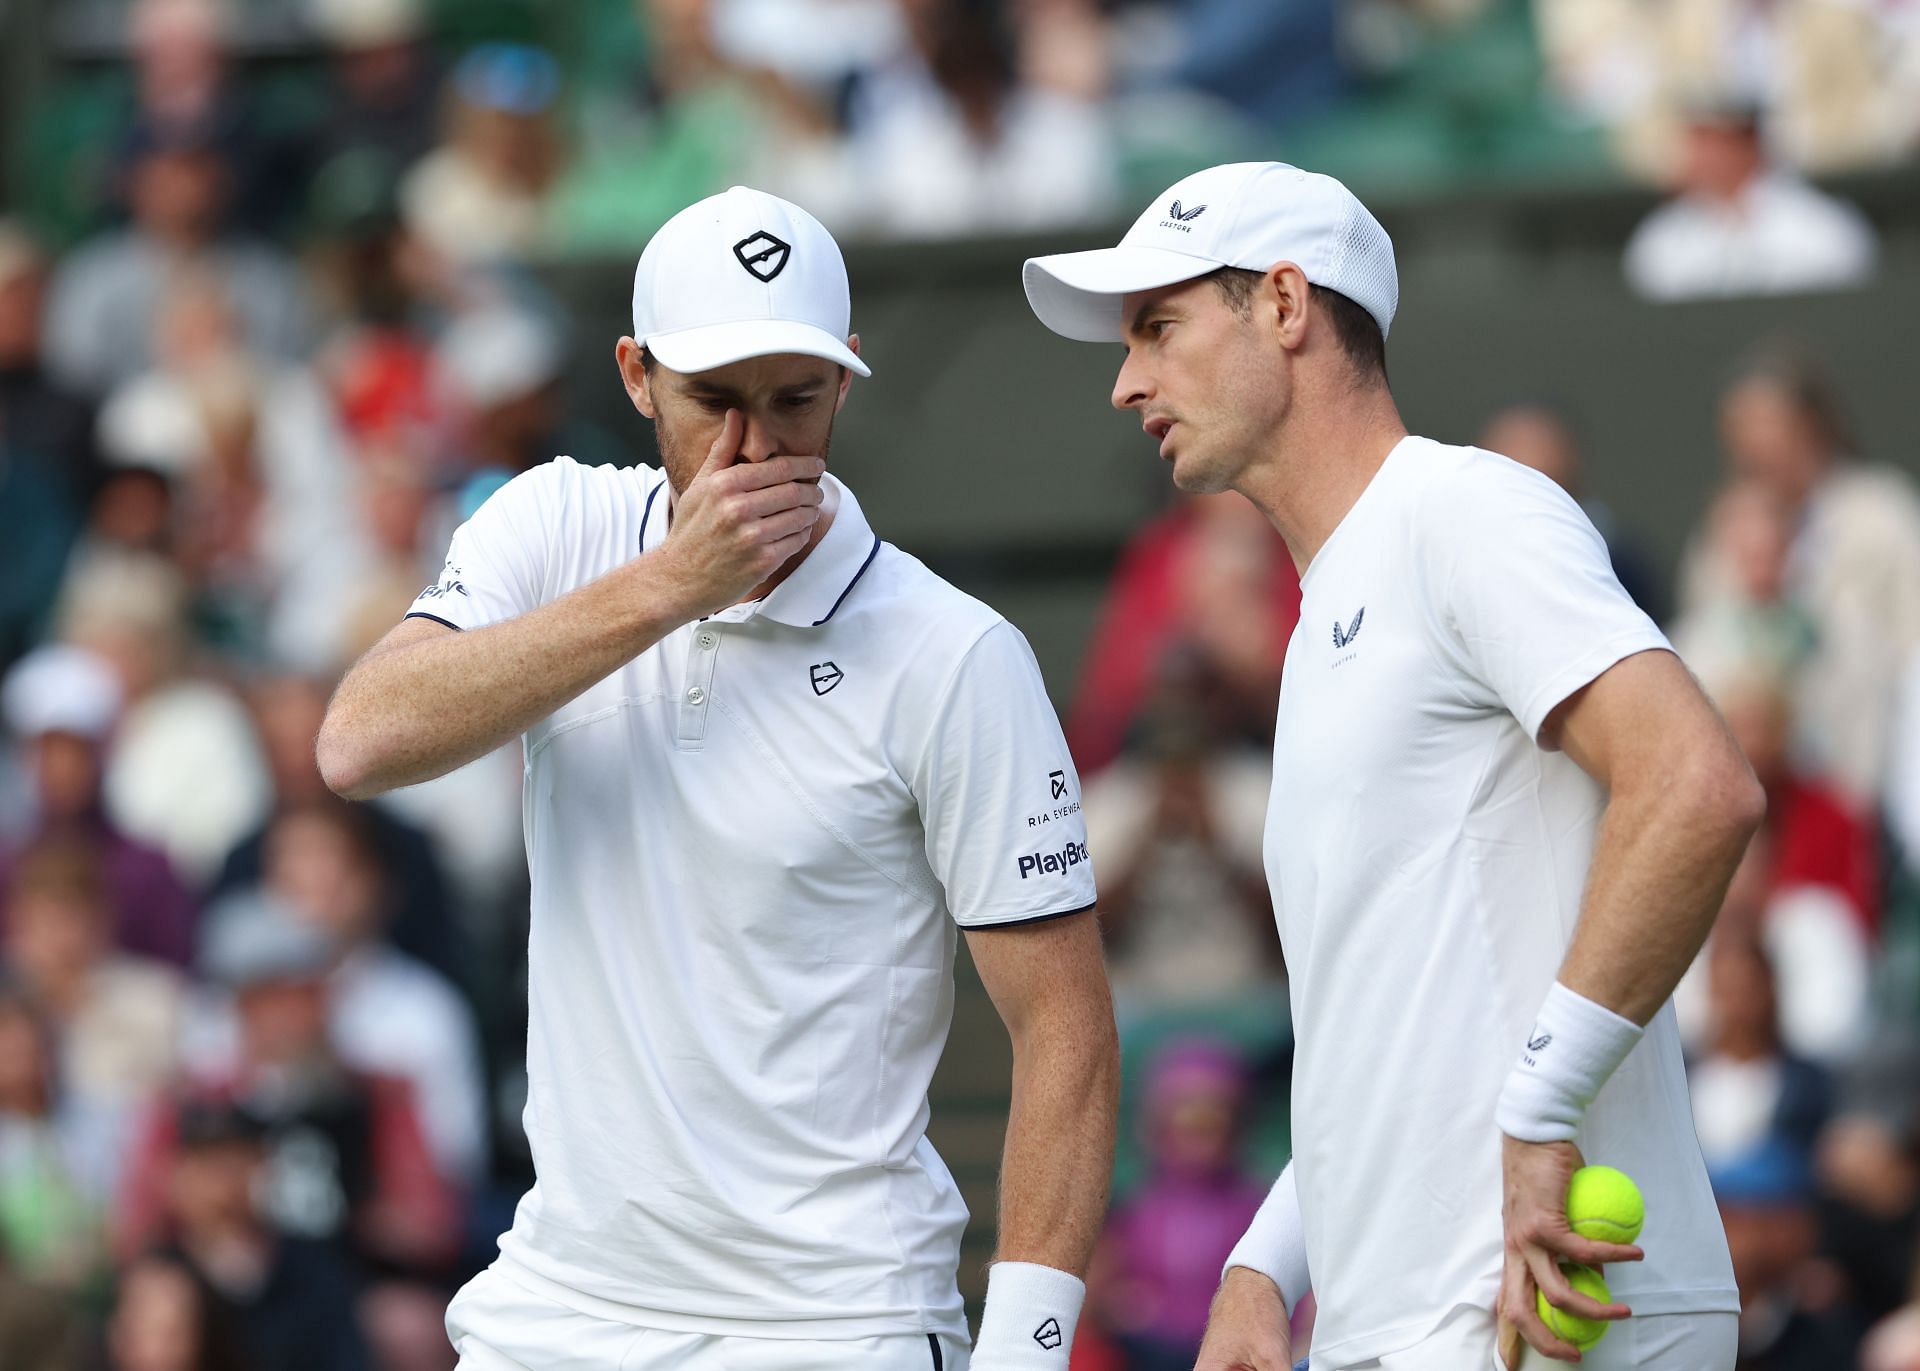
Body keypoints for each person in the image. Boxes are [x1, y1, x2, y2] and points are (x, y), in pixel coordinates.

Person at [317, 186, 1119, 1370]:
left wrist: (1028, 1352)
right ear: (637, 378)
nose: (752, 448)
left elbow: (1067, 1032)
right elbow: (359, 741)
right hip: (557, 1309)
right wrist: (667, 589)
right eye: (712, 403)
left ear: (848, 378)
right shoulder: (552, 524)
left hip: (841, 1324)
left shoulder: (959, 657)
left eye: (795, 400)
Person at [1023, 160, 1763, 1369]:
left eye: (1158, 327)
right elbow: (1387, 1021)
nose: (1125, 382)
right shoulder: (1325, 625)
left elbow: (1696, 784)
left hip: (1554, 1312)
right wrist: (1266, 1269)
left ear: (1283, 304)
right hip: (1410, 1323)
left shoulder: (1467, 512)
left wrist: (1541, 1108)